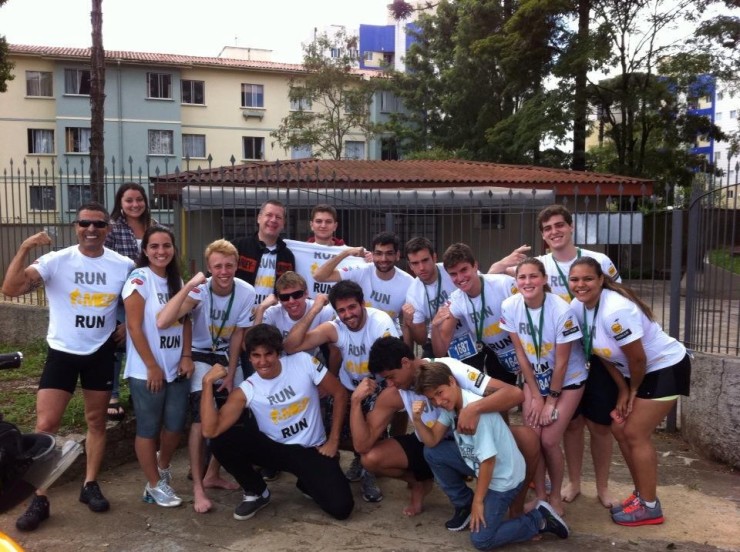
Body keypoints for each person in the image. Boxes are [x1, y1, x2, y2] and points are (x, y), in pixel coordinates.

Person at [2, 202, 134, 531]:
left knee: (96, 422)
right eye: (85, 223)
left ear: (108, 229)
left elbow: (141, 300)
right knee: (46, 425)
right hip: (62, 351)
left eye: (99, 224)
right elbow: (11, 288)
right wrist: (25, 247)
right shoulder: (56, 260)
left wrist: (128, 324)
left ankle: (89, 485)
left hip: (100, 352)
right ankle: (39, 496)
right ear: (76, 226)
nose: (91, 229)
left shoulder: (124, 265)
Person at [496, 204, 622, 508]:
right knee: (572, 425)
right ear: (543, 235)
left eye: (559, 225)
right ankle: (574, 482)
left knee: (600, 426)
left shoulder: (598, 260)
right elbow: (494, 274)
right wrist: (503, 262)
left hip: (593, 354)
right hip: (552, 362)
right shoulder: (538, 265)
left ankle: (603, 487)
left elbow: (620, 296)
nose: (555, 232)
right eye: (548, 228)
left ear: (571, 226)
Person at [353, 336, 536, 526]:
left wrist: (473, 409)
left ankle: (517, 507)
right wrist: (355, 401)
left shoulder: (450, 370)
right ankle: (446, 495)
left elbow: (515, 394)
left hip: (471, 442)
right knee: (371, 458)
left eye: (391, 377)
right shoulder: (394, 393)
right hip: (436, 444)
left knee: (527, 438)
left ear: (406, 363)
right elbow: (361, 445)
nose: (390, 384)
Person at [568, 257, 691, 526]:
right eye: (575, 279)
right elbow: (603, 355)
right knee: (619, 428)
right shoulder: (578, 307)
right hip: (636, 373)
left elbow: (637, 360)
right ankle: (641, 495)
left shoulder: (615, 310)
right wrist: (623, 390)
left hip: (664, 367)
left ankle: (650, 507)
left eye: (588, 279)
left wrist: (633, 390)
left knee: (634, 432)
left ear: (601, 279)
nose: (581, 285)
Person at [200, 324, 354, 521]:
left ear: (278, 353)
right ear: (249, 358)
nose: (263, 361)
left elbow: (340, 393)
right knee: (222, 440)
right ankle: (256, 492)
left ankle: (306, 482)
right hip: (276, 449)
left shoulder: (303, 362)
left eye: (268, 354)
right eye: (256, 355)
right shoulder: (248, 388)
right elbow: (210, 430)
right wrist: (206, 383)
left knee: (342, 508)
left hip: (312, 449)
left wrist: (333, 441)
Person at [412, 362, 569, 550]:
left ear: (452, 381)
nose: (438, 402)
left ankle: (539, 519)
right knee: (433, 453)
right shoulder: (450, 407)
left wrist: (479, 502)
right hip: (478, 464)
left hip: (503, 477)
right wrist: (417, 420)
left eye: (440, 393)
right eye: (432, 399)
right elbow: (432, 441)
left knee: (481, 540)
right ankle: (464, 503)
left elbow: (488, 461)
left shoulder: (475, 412)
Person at [156, 239, 255, 513]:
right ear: (209, 268)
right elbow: (170, 320)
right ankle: (198, 487)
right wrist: (189, 286)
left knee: (234, 412)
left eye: (229, 266)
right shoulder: (199, 290)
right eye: (217, 266)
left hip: (224, 357)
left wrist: (232, 371)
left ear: (237, 265)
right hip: (199, 354)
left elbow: (238, 334)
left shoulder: (246, 291)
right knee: (202, 419)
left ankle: (213, 472)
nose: (224, 272)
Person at [283, 280, 399, 503]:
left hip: (377, 384)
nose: (348, 315)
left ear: (362, 304)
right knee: (326, 425)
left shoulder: (380, 321)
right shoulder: (335, 326)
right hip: (348, 385)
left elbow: (391, 362)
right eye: (342, 310)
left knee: (370, 418)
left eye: (352, 307)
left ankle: (369, 471)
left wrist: (376, 389)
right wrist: (314, 309)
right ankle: (356, 458)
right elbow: (291, 345)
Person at [500, 258, 587, 516]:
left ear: (544, 279)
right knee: (532, 439)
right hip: (535, 381)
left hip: (568, 381)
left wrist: (550, 401)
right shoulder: (510, 305)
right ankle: (540, 496)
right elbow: (520, 352)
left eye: (533, 276)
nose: (527, 282)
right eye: (522, 277)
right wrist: (535, 394)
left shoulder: (561, 310)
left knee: (549, 440)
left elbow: (561, 363)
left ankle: (556, 497)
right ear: (516, 282)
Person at [123, 226, 193, 508]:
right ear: (145, 250)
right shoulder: (139, 280)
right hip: (147, 371)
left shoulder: (177, 281)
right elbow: (134, 326)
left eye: (166, 245)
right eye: (154, 246)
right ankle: (154, 486)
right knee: (148, 429)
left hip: (176, 368)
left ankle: (161, 470)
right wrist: (152, 366)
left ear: (173, 249)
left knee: (176, 425)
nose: (161, 251)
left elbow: (186, 321)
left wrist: (187, 355)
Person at [105, 182, 161, 422]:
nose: (135, 204)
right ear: (120, 203)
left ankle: (139, 389)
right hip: (120, 298)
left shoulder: (156, 227)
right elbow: (105, 263)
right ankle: (113, 393)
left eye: (139, 199)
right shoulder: (112, 229)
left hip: (151, 295)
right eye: (129, 200)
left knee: (146, 341)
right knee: (117, 343)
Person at [431, 243, 519, 386]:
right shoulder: (456, 300)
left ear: (475, 266)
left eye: (464, 270)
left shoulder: (504, 284)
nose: (460, 278)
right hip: (499, 357)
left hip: (528, 352)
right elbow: (440, 351)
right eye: (453, 274)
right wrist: (434, 327)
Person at [313, 231, 414, 329]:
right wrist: (346, 253)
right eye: (378, 253)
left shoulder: (409, 282)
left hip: (387, 335)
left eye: (389, 253)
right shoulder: (360, 270)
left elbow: (410, 322)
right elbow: (319, 276)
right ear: (372, 254)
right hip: (357, 331)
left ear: (397, 255)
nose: (383, 259)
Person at [254, 271, 337, 366]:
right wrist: (261, 308)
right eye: (285, 297)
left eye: (297, 295)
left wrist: (332, 378)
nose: (291, 301)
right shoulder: (273, 312)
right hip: (281, 366)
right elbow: (253, 346)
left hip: (312, 366)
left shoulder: (322, 310)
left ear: (306, 293)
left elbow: (335, 351)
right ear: (279, 299)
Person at [233, 199, 296, 323]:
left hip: (271, 319)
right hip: (238, 316)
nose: (273, 220)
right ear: (259, 218)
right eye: (269, 215)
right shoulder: (238, 246)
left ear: (283, 223)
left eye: (278, 217)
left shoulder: (287, 256)